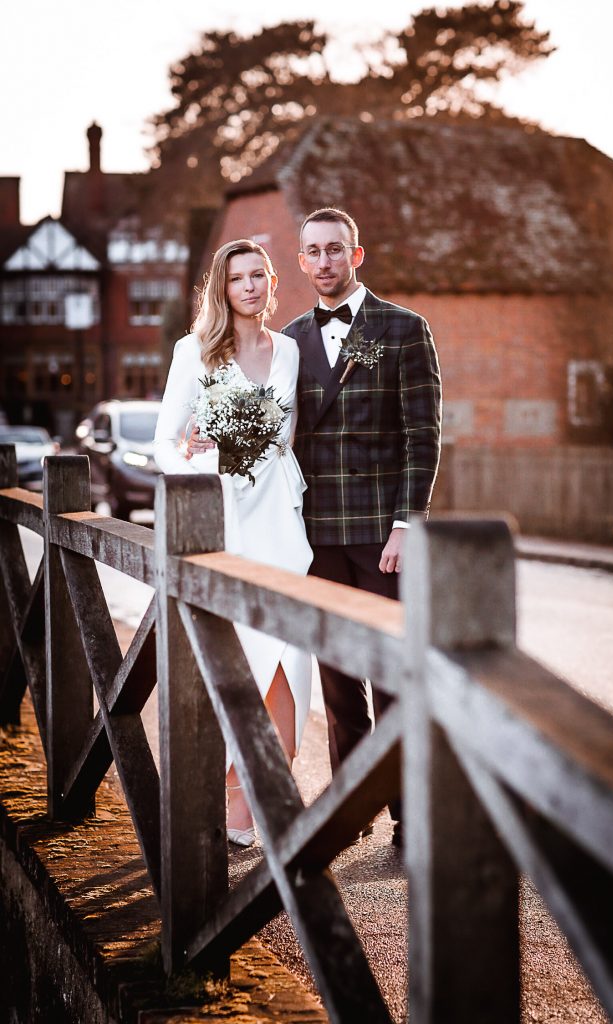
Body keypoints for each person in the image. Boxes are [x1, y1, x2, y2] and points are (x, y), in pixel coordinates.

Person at [282, 208, 442, 848]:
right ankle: (351, 811)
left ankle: (410, 820)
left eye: (335, 250)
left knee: (393, 679)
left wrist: (408, 523)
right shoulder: (288, 340)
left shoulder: (404, 329)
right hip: (316, 537)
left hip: (382, 537)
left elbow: (422, 436)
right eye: (313, 251)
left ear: (357, 254)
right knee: (339, 685)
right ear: (300, 261)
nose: (324, 261)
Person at [153, 238, 313, 848]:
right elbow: (167, 443)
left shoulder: (290, 351)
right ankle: (225, 802)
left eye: (257, 276)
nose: (248, 286)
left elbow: (287, 432)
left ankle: (263, 800)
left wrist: (261, 451)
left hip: (280, 519)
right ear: (221, 290)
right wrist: (208, 472)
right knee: (235, 657)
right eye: (235, 278)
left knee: (287, 657)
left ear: (272, 282)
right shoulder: (192, 352)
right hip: (225, 520)